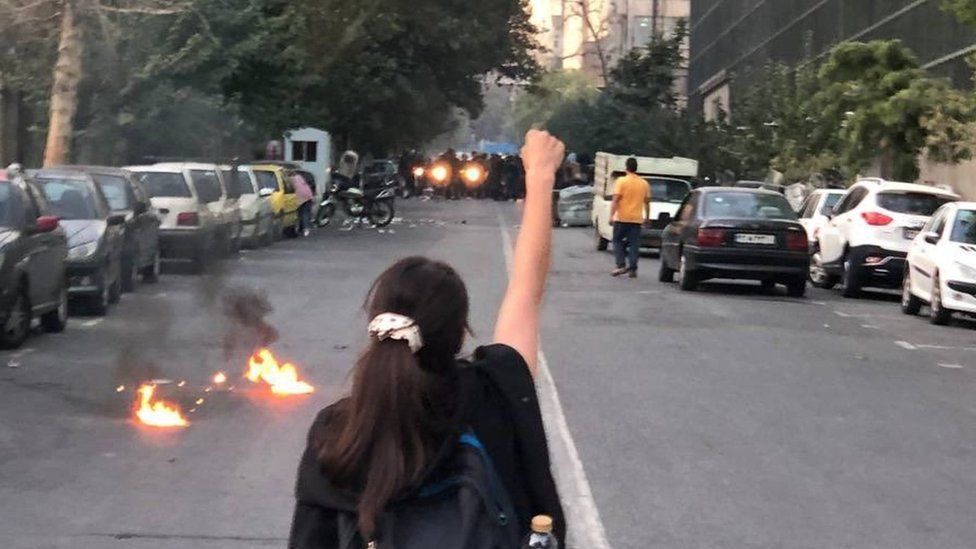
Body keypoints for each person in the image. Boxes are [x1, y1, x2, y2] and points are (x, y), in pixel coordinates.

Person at [288, 130, 567, 548]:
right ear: (458, 335)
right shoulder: (491, 395)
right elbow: (526, 290)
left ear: (376, 324)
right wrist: (541, 175)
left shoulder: (337, 433)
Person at [611, 157, 650, 278]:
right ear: (636, 168)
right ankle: (633, 269)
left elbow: (616, 200)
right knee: (634, 244)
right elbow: (647, 202)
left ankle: (621, 265)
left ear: (626, 167)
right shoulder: (644, 183)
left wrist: (611, 215)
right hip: (636, 219)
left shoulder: (621, 181)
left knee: (617, 240)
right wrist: (647, 217)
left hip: (622, 218)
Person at [291, 171, 314, 237]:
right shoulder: (300, 177)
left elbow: (291, 187)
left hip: (300, 196)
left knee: (302, 213)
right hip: (308, 194)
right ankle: (305, 227)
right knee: (306, 212)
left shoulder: (291, 179)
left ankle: (304, 228)